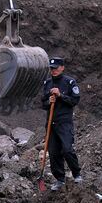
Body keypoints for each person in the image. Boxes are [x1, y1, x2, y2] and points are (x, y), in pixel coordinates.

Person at [41, 57, 81, 190]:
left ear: (62, 67)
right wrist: (49, 101)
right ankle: (60, 179)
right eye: (51, 69)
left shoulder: (69, 82)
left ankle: (77, 174)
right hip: (51, 123)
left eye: (56, 68)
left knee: (67, 149)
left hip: (64, 122)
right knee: (53, 153)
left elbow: (74, 101)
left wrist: (60, 96)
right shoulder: (47, 83)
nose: (54, 71)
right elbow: (43, 103)